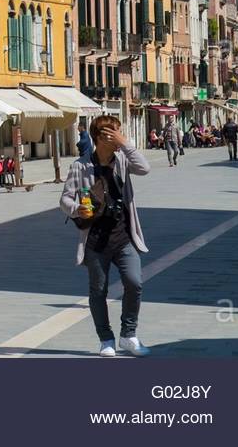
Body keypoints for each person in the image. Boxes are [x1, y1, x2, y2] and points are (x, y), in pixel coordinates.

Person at [59, 114, 150, 357]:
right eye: (114, 133)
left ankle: (129, 335)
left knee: (134, 282)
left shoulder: (122, 159)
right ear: (100, 137)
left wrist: (125, 144)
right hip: (96, 240)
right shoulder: (80, 165)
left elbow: (145, 168)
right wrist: (76, 208)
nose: (119, 136)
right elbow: (65, 198)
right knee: (98, 291)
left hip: (124, 237)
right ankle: (106, 339)